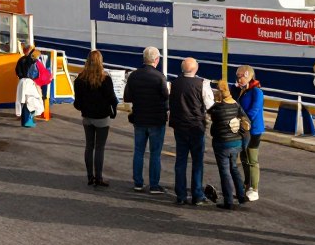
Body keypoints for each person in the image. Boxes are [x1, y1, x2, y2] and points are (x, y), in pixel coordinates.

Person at [168, 57, 214, 205]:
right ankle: (197, 195)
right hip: (196, 126)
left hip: (179, 126)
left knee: (180, 161)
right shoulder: (202, 84)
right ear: (196, 68)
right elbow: (209, 105)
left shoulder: (173, 84)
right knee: (197, 162)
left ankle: (181, 195)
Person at [123, 46, 169, 194]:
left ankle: (138, 182)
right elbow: (166, 99)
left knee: (139, 152)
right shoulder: (160, 77)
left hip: (139, 119)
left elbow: (127, 98)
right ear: (156, 60)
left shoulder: (134, 76)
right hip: (156, 120)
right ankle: (154, 185)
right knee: (155, 153)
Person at [72, 50, 118, 187]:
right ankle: (99, 177)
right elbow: (112, 99)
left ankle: (89, 177)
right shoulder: (105, 79)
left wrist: (83, 108)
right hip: (102, 117)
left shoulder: (80, 79)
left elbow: (77, 101)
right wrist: (113, 112)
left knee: (89, 146)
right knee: (99, 148)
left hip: (87, 117)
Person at [206, 80, 248, 210]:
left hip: (222, 144)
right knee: (234, 168)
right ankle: (241, 195)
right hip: (237, 143)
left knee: (225, 172)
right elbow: (245, 120)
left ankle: (228, 201)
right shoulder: (236, 104)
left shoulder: (217, 107)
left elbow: (212, 125)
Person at [236, 65, 265, 201]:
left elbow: (254, 111)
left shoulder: (256, 92)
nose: (238, 79)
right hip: (242, 129)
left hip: (253, 130)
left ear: (247, 76)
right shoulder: (242, 90)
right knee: (243, 158)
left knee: (252, 159)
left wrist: (243, 120)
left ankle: (254, 187)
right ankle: (246, 183)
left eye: (240, 76)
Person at [16, 47, 48, 127]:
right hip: (29, 83)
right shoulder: (32, 61)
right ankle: (29, 122)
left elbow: (17, 71)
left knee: (23, 102)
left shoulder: (20, 60)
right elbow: (35, 74)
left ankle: (24, 122)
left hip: (21, 82)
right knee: (31, 102)